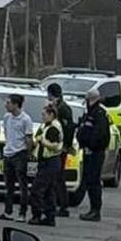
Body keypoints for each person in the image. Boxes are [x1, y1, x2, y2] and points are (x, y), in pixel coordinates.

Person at [70, 88, 111, 222]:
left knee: (94, 182)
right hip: (88, 151)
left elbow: (99, 134)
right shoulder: (91, 112)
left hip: (95, 152)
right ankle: (93, 210)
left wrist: (90, 145)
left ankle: (95, 211)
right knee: (89, 181)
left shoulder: (99, 114)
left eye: (87, 100)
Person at [0, 93, 34, 221]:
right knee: (8, 185)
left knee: (22, 184)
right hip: (8, 153)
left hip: (20, 154)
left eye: (8, 103)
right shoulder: (7, 117)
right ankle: (7, 211)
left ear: (15, 104)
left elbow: (29, 138)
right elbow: (7, 133)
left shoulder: (25, 119)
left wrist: (28, 153)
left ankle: (22, 213)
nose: (6, 105)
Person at [29, 104, 64, 226]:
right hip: (47, 162)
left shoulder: (53, 128)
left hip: (50, 161)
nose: (42, 117)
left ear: (51, 115)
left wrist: (41, 141)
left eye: (44, 115)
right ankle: (50, 216)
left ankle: (37, 214)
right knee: (49, 190)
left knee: (37, 189)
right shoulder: (46, 126)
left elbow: (55, 145)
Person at [47, 83, 75, 217]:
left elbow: (69, 128)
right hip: (55, 147)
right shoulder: (56, 107)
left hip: (61, 148)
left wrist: (66, 146)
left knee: (59, 177)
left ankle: (63, 206)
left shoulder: (63, 109)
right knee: (55, 177)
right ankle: (58, 203)